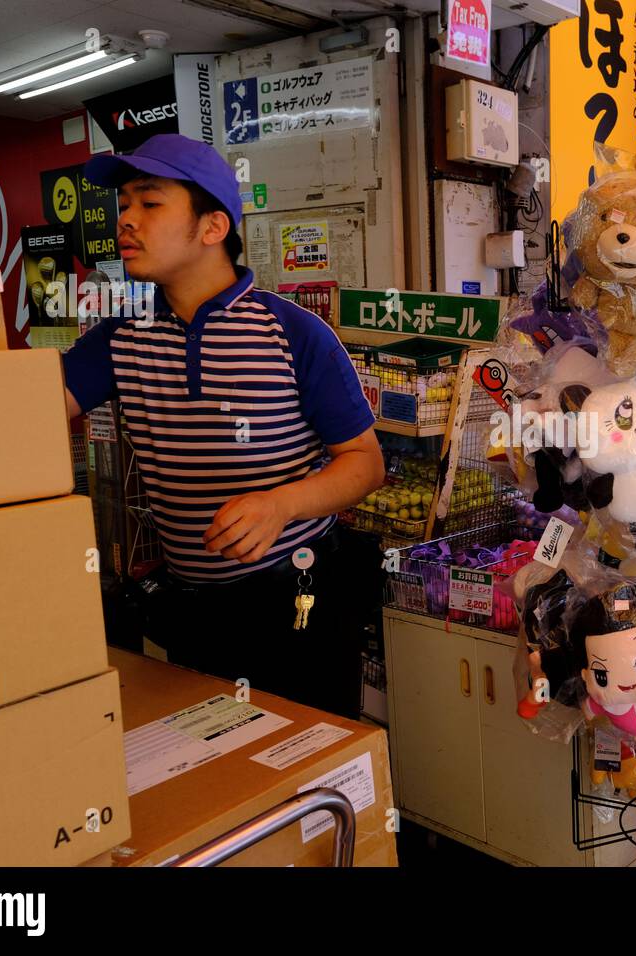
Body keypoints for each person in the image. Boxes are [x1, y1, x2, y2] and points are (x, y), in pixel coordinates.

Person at [62, 133, 386, 716]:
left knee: (309, 759)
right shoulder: (120, 338)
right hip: (192, 606)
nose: (125, 220)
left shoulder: (292, 333)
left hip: (297, 595)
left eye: (149, 202)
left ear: (212, 227)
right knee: (216, 760)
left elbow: (365, 463)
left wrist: (281, 504)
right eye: (123, 205)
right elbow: (27, 411)